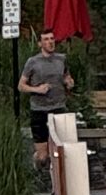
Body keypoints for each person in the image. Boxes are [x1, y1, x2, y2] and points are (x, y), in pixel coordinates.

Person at [17, 30, 74, 167]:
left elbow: (67, 76)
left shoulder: (61, 59)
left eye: (52, 39)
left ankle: (56, 180)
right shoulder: (33, 62)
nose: (50, 42)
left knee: (61, 151)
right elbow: (21, 86)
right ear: (40, 44)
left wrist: (69, 82)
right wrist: (37, 89)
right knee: (43, 156)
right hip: (39, 109)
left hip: (59, 108)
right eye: (46, 39)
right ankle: (38, 162)